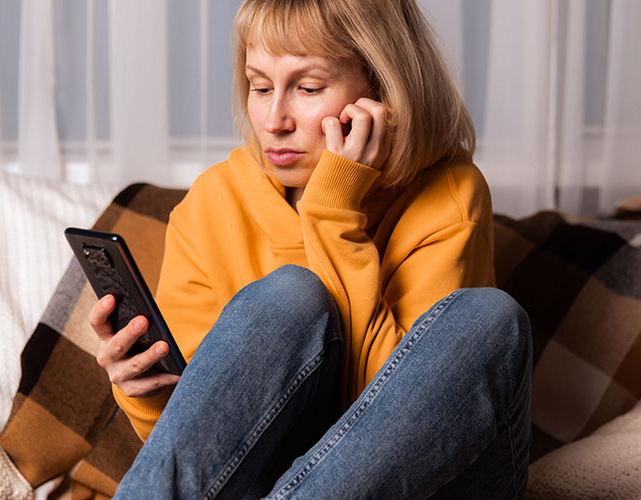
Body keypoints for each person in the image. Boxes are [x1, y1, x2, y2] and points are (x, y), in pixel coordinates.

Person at [89, 0, 532, 498]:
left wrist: (332, 210)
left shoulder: (449, 195)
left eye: (307, 88)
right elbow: (205, 453)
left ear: (382, 89)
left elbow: (396, 427)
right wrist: (143, 389)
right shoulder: (213, 202)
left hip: (422, 482)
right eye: (260, 87)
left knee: (489, 319)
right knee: (287, 298)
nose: (274, 119)